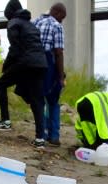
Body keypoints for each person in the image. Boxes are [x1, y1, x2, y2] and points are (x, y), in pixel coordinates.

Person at [0, 0, 48, 147]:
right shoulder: (31, 25)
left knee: (0, 84)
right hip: (40, 64)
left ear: (9, 14)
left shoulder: (13, 23)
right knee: (36, 100)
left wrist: (6, 65)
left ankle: (5, 121)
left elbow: (15, 48)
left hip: (25, 63)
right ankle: (40, 139)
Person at [32, 3, 66, 146]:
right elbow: (58, 52)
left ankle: (42, 134)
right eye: (62, 17)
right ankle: (54, 136)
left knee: (39, 100)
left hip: (33, 63)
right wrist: (61, 76)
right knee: (53, 101)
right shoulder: (56, 26)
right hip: (48, 64)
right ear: (57, 13)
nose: (62, 21)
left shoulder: (35, 22)